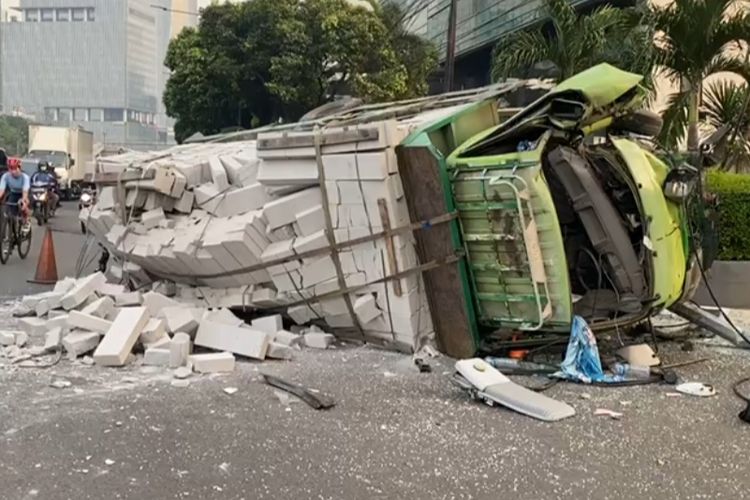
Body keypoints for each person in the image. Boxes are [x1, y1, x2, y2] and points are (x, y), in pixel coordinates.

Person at [0, 158, 31, 234]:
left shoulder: (25, 177)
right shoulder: (5, 176)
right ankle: (12, 226)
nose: (13, 171)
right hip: (13, 193)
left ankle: (26, 222)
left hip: (24, 193)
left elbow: (25, 192)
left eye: (15, 168)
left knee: (23, 204)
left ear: (19, 168)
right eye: (11, 168)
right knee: (9, 209)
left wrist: (23, 201)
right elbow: (1, 191)